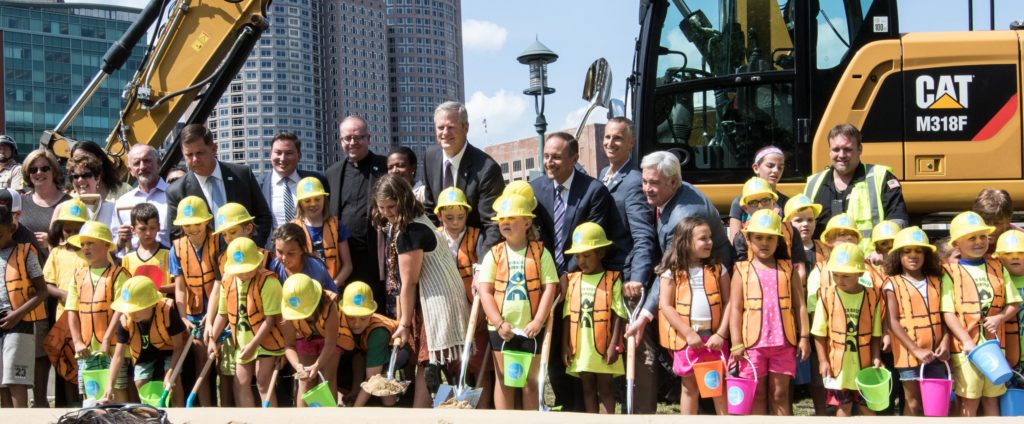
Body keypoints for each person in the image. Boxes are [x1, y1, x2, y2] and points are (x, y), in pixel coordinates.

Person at [529, 132, 630, 411]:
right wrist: (553, 277)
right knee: (558, 358)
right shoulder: (535, 189)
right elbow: (540, 240)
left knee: (588, 359)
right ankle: (566, 408)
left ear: (574, 158)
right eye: (547, 156)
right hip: (550, 283)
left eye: (557, 157)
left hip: (585, 284)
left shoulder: (594, 191)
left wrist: (569, 276)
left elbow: (595, 240)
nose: (550, 162)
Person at [371, 174, 470, 408]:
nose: (387, 212)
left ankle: (430, 411)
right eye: (381, 207)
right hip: (435, 299)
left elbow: (409, 282)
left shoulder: (412, 231)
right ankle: (428, 409)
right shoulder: (417, 221)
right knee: (427, 365)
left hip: (437, 302)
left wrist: (404, 325)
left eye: (391, 206)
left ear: (403, 200)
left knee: (429, 364)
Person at [628, 151, 731, 352]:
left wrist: (644, 316)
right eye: (645, 181)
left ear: (673, 182)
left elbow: (668, 267)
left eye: (654, 183)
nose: (647, 189)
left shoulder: (683, 218)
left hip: (708, 285)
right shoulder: (679, 190)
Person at [598, 118, 658, 413]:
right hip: (607, 275)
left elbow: (643, 235)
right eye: (607, 137)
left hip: (628, 279)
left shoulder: (634, 181)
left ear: (631, 143)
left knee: (639, 350)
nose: (610, 143)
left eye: (618, 138)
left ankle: (642, 415)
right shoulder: (605, 175)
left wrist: (638, 278)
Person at [477, 193, 558, 411]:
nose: (505, 223)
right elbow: (485, 292)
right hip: (501, 329)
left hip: (532, 329)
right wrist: (499, 322)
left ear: (527, 222)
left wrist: (539, 321)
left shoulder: (541, 253)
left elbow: (550, 287)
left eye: (512, 218)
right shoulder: (494, 254)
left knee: (530, 383)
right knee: (505, 381)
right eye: (502, 219)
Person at [728, 209, 809, 415]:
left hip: (783, 344)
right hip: (752, 345)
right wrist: (736, 342)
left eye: (770, 238)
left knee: (780, 395)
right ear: (748, 240)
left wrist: (804, 337)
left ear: (778, 241)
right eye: (759, 237)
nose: (764, 243)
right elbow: (735, 309)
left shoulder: (788, 269)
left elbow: (800, 305)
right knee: (757, 395)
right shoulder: (741, 270)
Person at [941, 211, 1021, 416]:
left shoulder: (997, 267)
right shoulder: (950, 272)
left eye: (983, 237)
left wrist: (1000, 317)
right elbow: (948, 313)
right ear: (957, 244)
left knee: (991, 398)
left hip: (994, 348)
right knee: (969, 401)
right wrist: (966, 340)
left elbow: (1014, 303)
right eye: (972, 238)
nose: (979, 242)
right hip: (967, 350)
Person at [657, 216, 730, 415]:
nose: (710, 242)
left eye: (710, 237)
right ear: (685, 242)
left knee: (717, 385)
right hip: (686, 341)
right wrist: (688, 333)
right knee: (690, 387)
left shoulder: (718, 269)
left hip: (714, 338)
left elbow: (730, 302)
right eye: (703, 238)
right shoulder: (671, 272)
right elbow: (666, 305)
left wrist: (721, 334)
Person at [803, 124, 909, 251]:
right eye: (836, 149)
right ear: (829, 151)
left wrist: (883, 253)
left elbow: (898, 222)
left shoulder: (881, 177)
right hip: (826, 266)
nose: (841, 155)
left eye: (847, 149)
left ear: (860, 149)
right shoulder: (813, 183)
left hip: (870, 265)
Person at [208, 237, 285, 407]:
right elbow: (222, 314)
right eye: (239, 270)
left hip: (266, 341)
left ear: (257, 264)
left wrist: (253, 345)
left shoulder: (269, 282)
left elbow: (270, 320)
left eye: (247, 269)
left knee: (263, 382)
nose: (243, 274)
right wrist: (213, 339)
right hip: (242, 340)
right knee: (240, 381)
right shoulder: (227, 282)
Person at [166, 124, 272, 246]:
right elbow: (176, 235)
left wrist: (250, 248)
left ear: (214, 149)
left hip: (242, 259)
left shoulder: (242, 175)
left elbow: (263, 217)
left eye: (200, 152)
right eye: (189, 155)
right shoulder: (176, 192)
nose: (195, 159)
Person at [883, 226, 949, 416]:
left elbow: (945, 315)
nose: (913, 255)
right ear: (898, 255)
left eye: (919, 250)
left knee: (936, 402)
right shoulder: (892, 283)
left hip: (936, 354)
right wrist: (916, 350)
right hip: (908, 354)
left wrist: (945, 342)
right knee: (913, 402)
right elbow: (893, 322)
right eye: (907, 251)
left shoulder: (937, 280)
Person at [811, 242, 883, 417]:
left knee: (868, 407)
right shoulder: (827, 295)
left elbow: (875, 334)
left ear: (860, 273)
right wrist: (823, 361)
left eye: (846, 276)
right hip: (838, 366)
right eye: (836, 275)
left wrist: (876, 356)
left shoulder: (872, 296)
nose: (839, 280)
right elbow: (819, 333)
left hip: (865, 366)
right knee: (843, 408)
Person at [422, 101, 505, 252]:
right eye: (440, 128)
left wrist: (481, 266)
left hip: (474, 253)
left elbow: (492, 224)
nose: (445, 133)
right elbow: (429, 211)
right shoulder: (430, 157)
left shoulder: (487, 168)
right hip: (440, 253)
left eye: (451, 127)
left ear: (465, 128)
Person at [561, 222, 625, 414]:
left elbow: (619, 314)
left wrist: (614, 344)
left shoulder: (612, 279)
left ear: (601, 254)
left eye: (587, 255)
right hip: (581, 346)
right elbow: (567, 315)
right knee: (587, 388)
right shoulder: (573, 280)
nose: (581, 261)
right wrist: (565, 345)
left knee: (605, 388)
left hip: (604, 345)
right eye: (578, 256)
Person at [64, 221, 131, 402]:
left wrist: (108, 339)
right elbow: (72, 310)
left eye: (91, 243)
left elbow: (120, 309)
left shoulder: (118, 274)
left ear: (107, 246)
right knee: (90, 390)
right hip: (86, 348)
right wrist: (77, 342)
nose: (86, 248)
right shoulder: (78, 276)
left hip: (113, 347)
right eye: (83, 244)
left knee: (117, 388)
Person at [326, 116, 388, 301]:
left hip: (375, 258)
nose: (353, 142)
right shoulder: (332, 173)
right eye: (348, 138)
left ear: (368, 138)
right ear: (341, 141)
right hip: (344, 259)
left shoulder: (385, 167)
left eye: (359, 137)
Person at [99, 276, 186, 407]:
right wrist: (109, 386)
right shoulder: (125, 321)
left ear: (151, 304)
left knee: (174, 380)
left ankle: (180, 412)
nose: (132, 314)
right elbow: (118, 356)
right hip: (144, 353)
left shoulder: (168, 312)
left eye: (136, 309)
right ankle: (150, 413)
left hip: (169, 349)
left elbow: (179, 346)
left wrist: (170, 372)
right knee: (140, 382)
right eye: (129, 309)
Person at [168, 195, 218, 406]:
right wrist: (182, 317)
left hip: (220, 313)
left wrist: (212, 317)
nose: (193, 228)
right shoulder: (176, 249)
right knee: (201, 365)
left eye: (197, 223)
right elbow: (179, 287)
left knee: (225, 371)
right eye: (187, 225)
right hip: (194, 315)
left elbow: (220, 281)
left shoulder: (218, 241)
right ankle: (207, 413)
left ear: (207, 221)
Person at [0, 205, 47, 408]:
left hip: (20, 323)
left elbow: (42, 291)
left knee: (15, 379)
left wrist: (17, 315)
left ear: (11, 228)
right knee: (1, 382)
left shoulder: (26, 252)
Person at [279, 273, 349, 407]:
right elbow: (289, 345)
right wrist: (297, 365)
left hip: (331, 340)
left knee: (327, 378)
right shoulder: (288, 308)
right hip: (306, 338)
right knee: (304, 380)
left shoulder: (329, 305)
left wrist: (317, 365)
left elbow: (330, 342)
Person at [258, 132, 329, 245]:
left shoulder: (317, 180)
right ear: (270, 154)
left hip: (311, 249)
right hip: (275, 254)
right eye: (278, 153)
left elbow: (327, 212)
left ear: (299, 155)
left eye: (289, 153)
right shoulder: (258, 185)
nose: (282, 158)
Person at [339, 281, 401, 407]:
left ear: (371, 313)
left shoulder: (378, 333)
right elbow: (359, 354)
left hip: (397, 351)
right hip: (368, 351)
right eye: (351, 318)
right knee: (359, 354)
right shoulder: (342, 322)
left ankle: (399, 393)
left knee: (387, 399)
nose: (356, 324)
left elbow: (371, 379)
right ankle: (357, 390)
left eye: (362, 318)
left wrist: (356, 410)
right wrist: (356, 389)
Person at [294, 177, 352, 290]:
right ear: (300, 203)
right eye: (307, 200)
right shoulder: (293, 229)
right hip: (305, 292)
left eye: (317, 199)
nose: (313, 204)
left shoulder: (337, 226)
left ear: (324, 199)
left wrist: (332, 286)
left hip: (333, 291)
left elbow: (348, 266)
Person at [111, 145, 169, 252]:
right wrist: (120, 240)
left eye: (147, 161)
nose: (142, 167)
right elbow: (112, 246)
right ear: (130, 170)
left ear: (158, 164)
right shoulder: (122, 203)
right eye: (137, 163)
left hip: (167, 264)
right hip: (132, 266)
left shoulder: (174, 196)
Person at [729, 146, 788, 243]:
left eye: (780, 167)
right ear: (756, 168)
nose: (776, 170)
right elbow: (734, 241)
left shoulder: (786, 202)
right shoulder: (739, 202)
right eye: (770, 166)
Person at [20, 149, 71, 251]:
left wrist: (52, 242)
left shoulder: (70, 203)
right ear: (28, 174)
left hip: (57, 265)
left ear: (54, 171)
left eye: (45, 168)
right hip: (24, 265)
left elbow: (79, 242)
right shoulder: (20, 202)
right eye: (33, 170)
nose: (39, 173)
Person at [119, 204, 171, 296]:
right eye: (142, 229)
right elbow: (125, 289)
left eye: (152, 228)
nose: (148, 233)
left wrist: (153, 289)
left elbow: (179, 286)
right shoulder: (127, 259)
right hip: (136, 308)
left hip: (162, 307)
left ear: (158, 227)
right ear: (133, 229)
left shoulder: (168, 254)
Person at [270, 223, 338, 293]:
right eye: (280, 252)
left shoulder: (317, 269)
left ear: (303, 249)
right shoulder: (274, 267)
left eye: (291, 253)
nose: (284, 258)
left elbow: (333, 298)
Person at [994, 230, 1024, 382]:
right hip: (1005, 355)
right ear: (998, 258)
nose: (1015, 256)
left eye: (1021, 252)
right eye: (1008, 253)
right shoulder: (996, 282)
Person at [66, 154, 115, 226]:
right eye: (75, 176)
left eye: (86, 175)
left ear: (97, 178)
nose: (80, 180)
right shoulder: (65, 207)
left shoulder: (112, 208)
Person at [972, 188, 1018, 256]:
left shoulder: (1020, 240)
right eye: (985, 222)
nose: (991, 228)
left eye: (996, 223)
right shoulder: (965, 239)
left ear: (1008, 221)